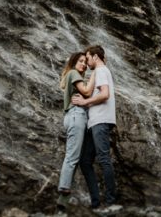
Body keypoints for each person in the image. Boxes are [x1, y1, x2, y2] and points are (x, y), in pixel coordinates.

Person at [71, 44, 117, 208]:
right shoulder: (99, 72)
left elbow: (105, 94)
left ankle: (111, 201)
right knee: (85, 161)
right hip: (94, 122)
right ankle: (96, 202)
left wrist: (84, 101)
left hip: (101, 121)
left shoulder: (101, 70)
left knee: (104, 159)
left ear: (95, 57)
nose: (87, 62)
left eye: (88, 58)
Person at [56, 51, 94, 211]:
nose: (84, 64)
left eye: (85, 62)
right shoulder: (73, 73)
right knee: (72, 157)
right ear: (73, 63)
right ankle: (63, 192)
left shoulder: (72, 75)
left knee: (75, 157)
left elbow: (85, 97)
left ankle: (63, 201)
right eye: (80, 61)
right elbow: (86, 91)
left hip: (75, 116)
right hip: (76, 116)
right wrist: (95, 73)